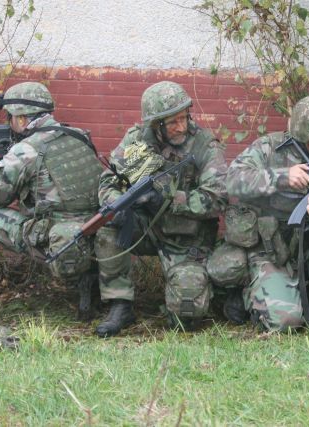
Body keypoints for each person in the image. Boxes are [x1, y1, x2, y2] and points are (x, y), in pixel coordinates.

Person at [94, 80, 228, 337]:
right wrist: (116, 204)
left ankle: (183, 297)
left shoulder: (203, 145)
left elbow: (218, 197)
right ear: (156, 125)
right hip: (144, 228)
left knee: (187, 316)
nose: (182, 127)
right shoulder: (137, 140)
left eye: (184, 118)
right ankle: (120, 304)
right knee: (107, 230)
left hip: (185, 238)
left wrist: (170, 199)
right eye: (173, 122)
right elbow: (109, 180)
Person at [224, 94, 309, 331]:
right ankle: (248, 294)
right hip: (269, 250)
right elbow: (233, 180)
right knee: (286, 323)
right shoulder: (268, 149)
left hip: (307, 248)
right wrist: (281, 177)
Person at [0, 82, 102, 334]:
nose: (10, 122)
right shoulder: (79, 136)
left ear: (21, 119)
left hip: (55, 243)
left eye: (11, 117)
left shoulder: (26, 150)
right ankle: (90, 291)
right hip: (92, 235)